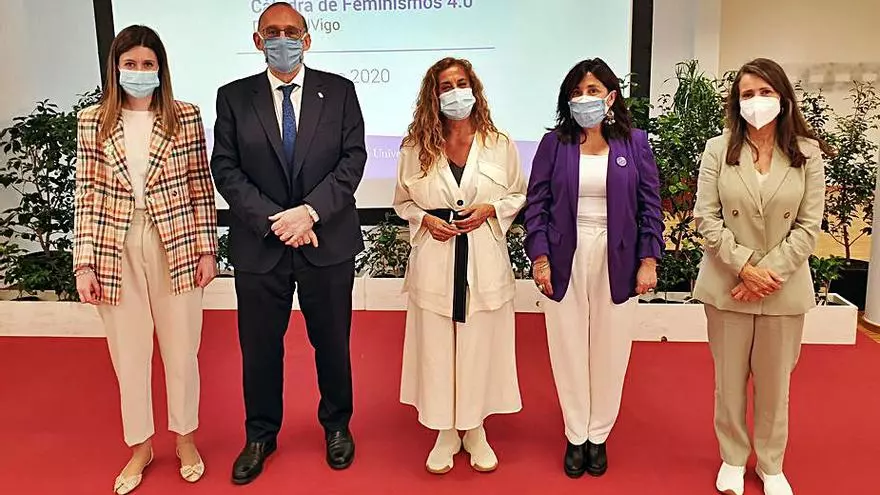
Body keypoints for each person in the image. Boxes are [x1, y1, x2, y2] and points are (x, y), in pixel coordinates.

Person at [210, 2, 366, 484]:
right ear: (258, 41)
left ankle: (337, 426)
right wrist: (275, 221)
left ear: (307, 39)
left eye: (291, 32)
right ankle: (260, 435)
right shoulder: (233, 97)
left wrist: (310, 212)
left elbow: (353, 160)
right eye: (272, 32)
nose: (283, 40)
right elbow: (225, 168)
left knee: (332, 343)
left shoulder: (339, 91)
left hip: (327, 239)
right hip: (262, 244)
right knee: (259, 348)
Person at [73, 25, 217, 494]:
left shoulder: (185, 116)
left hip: (175, 240)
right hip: (113, 246)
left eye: (147, 64)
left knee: (182, 350)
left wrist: (207, 249)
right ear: (116, 68)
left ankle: (185, 439)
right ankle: (140, 446)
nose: (139, 71)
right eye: (130, 64)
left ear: (161, 68)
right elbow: (86, 193)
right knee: (129, 355)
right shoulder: (92, 121)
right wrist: (83, 263)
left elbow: (200, 187)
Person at [693, 58, 829, 495]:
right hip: (728, 284)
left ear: (783, 98)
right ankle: (732, 458)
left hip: (782, 288)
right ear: (736, 102)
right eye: (747, 94)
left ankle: (772, 465)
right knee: (729, 383)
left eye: (765, 92)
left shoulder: (807, 154)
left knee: (775, 387)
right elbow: (705, 218)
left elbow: (808, 227)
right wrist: (745, 267)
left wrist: (766, 273)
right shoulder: (718, 149)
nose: (756, 101)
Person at [524, 58, 663, 479]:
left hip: (618, 257)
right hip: (565, 255)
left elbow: (650, 206)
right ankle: (575, 433)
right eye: (577, 92)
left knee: (610, 347)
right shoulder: (554, 144)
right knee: (567, 346)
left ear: (611, 97)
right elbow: (537, 204)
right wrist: (540, 258)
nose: (584, 98)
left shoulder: (635, 143)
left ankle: (598, 434)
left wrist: (648, 260)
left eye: (593, 91)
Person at [393, 57, 526, 474]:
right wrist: (425, 219)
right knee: (437, 347)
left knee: (479, 345)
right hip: (436, 260)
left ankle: (475, 428)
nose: (455, 92)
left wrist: (490, 209)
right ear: (433, 96)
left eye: (461, 83)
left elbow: (518, 194)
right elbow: (403, 202)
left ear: (474, 88)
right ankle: (446, 432)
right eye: (445, 86)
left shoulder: (499, 142)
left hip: (483, 259)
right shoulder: (415, 147)